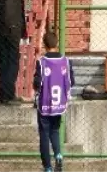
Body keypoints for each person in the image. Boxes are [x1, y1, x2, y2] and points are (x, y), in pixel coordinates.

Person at [34, 30, 74, 172]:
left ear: (44, 45)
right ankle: (58, 154)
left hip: (45, 103)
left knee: (44, 134)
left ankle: (48, 167)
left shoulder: (42, 62)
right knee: (55, 130)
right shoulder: (66, 61)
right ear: (56, 44)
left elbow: (37, 83)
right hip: (59, 104)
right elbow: (71, 81)